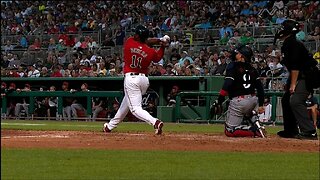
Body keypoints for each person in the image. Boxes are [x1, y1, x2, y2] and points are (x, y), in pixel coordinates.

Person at [103, 25, 170, 135]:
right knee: (125, 104)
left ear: (138, 36)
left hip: (132, 79)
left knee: (135, 109)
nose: (134, 34)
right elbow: (157, 57)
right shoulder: (150, 51)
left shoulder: (129, 42)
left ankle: (155, 122)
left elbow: (146, 41)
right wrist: (162, 44)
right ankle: (109, 126)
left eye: (136, 34)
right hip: (144, 80)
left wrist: (159, 40)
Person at [274, 19, 318, 140]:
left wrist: (292, 85)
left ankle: (310, 131)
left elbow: (295, 66)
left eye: (283, 27)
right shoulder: (288, 43)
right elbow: (293, 67)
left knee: (296, 101)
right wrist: (290, 82)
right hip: (300, 74)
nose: (280, 29)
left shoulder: (293, 43)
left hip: (308, 75)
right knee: (286, 100)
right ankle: (290, 130)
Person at [217, 45, 266, 138]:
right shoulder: (252, 68)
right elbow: (260, 88)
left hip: (239, 102)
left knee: (229, 131)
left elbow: (228, 84)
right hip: (253, 100)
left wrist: (219, 100)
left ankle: (253, 131)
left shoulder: (232, 66)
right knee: (248, 110)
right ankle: (254, 119)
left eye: (239, 53)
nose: (236, 54)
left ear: (242, 56)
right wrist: (261, 105)